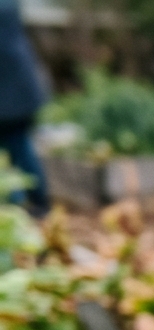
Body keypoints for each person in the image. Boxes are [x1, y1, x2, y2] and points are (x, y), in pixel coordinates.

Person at [0, 0, 50, 212]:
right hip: (20, 90)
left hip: (9, 96)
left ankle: (26, 204)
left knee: (17, 147)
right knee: (19, 146)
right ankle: (33, 202)